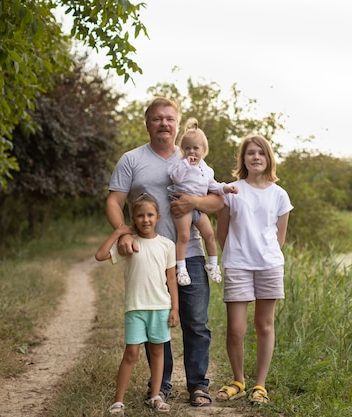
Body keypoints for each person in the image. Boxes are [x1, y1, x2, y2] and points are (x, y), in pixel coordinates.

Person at [105, 97, 223, 407]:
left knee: (196, 321)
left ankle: (198, 385)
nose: (164, 123)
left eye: (169, 118)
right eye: (157, 118)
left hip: (191, 254)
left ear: (177, 123)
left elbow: (217, 202)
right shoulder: (131, 160)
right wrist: (124, 233)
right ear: (147, 123)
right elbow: (114, 202)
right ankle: (162, 385)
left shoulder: (194, 159)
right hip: (151, 256)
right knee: (159, 322)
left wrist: (193, 203)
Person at [215, 134, 293, 404]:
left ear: (268, 158)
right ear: (243, 159)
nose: (256, 157)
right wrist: (236, 254)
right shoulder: (232, 191)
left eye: (261, 152)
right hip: (238, 264)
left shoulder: (280, 195)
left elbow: (279, 238)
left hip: (269, 265)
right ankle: (238, 380)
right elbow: (221, 231)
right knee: (236, 329)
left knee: (264, 325)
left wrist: (266, 255)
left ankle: (260, 385)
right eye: (250, 153)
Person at [96, 193, 179, 414]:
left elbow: (171, 279)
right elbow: (100, 255)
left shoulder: (167, 245)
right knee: (131, 353)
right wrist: (119, 232)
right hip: (135, 307)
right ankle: (118, 401)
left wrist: (175, 309)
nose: (146, 220)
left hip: (160, 306)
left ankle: (155, 395)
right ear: (133, 218)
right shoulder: (129, 245)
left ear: (158, 217)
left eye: (150, 215)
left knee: (158, 352)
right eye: (140, 216)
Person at [168, 117, 238, 286]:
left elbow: (213, 186)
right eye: (187, 148)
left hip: (198, 209)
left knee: (209, 235)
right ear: (182, 150)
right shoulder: (180, 164)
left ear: (204, 150)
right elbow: (175, 177)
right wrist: (186, 163)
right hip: (182, 207)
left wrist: (226, 188)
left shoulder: (206, 169)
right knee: (184, 236)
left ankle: (213, 265)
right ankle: (181, 269)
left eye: (196, 148)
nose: (192, 152)